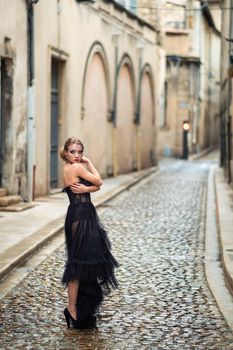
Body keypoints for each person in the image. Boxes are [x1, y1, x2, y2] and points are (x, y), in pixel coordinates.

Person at [59, 137, 118, 329]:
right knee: (78, 263)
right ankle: (72, 308)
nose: (77, 156)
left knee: (80, 262)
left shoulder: (69, 168)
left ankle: (75, 308)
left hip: (78, 214)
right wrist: (89, 163)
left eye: (80, 152)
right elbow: (99, 180)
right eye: (73, 152)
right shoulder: (76, 168)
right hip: (81, 215)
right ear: (66, 153)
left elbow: (95, 186)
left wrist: (88, 188)